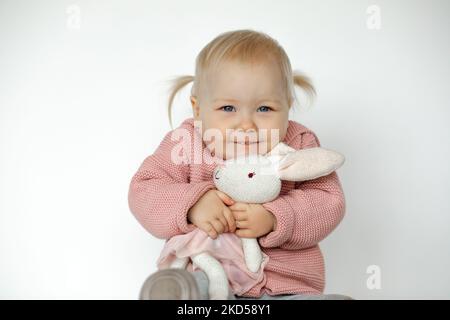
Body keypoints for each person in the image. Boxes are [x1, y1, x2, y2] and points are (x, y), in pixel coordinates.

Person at [128, 29, 352, 300]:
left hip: (284, 286)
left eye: (265, 109)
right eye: (228, 109)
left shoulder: (298, 143)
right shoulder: (186, 142)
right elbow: (144, 190)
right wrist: (192, 204)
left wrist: (275, 217)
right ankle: (179, 294)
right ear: (198, 109)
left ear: (287, 106)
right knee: (195, 287)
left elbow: (329, 202)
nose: (246, 125)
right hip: (211, 277)